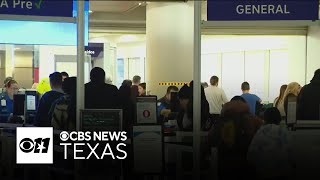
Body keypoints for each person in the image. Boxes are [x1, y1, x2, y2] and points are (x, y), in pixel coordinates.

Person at [247, 108, 294, 180]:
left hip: (264, 172)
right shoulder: (284, 131)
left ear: (265, 119)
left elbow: (251, 154)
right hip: (282, 172)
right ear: (279, 119)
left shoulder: (261, 131)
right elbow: (290, 152)